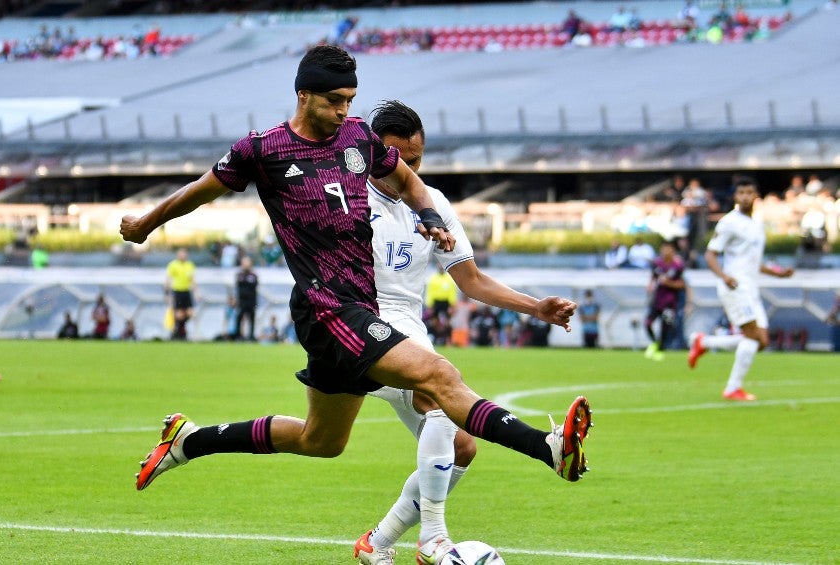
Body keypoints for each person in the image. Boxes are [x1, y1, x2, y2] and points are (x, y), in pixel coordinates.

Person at [120, 46, 591, 563]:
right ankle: (541, 453)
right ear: (303, 94)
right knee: (438, 378)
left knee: (321, 440)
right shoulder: (263, 149)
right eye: (335, 100)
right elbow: (201, 191)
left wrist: (429, 213)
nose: (345, 110)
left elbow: (410, 183)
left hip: (357, 313)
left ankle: (188, 442)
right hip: (327, 309)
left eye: (351, 100)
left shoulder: (358, 138)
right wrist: (146, 224)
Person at [355, 99, 585, 565]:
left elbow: (471, 279)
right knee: (440, 396)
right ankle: (434, 539)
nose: (407, 169)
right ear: (375, 152)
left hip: (408, 328)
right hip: (359, 324)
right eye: (398, 158)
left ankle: (376, 542)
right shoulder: (348, 199)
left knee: (461, 446)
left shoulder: (431, 203)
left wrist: (535, 307)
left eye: (416, 160)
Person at [688, 177, 794, 401]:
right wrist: (724, 276)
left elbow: (754, 263)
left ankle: (704, 342)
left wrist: (778, 273)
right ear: (735, 197)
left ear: (756, 196)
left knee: (761, 341)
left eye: (749, 193)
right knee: (753, 337)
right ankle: (732, 388)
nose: (745, 197)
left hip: (751, 288)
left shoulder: (756, 224)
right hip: (734, 286)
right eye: (741, 193)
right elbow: (710, 254)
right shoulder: (729, 222)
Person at [643, 241, 686, 361]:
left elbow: (682, 284)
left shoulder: (677, 266)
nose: (665, 251)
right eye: (663, 248)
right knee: (647, 323)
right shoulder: (657, 264)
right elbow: (653, 277)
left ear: (673, 250)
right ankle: (654, 343)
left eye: (668, 249)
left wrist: (669, 283)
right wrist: (650, 285)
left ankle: (659, 351)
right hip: (657, 300)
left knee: (665, 328)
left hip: (670, 303)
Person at [165, 248, 195, 340]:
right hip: (177, 291)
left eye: (184, 254)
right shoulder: (173, 265)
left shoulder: (190, 265)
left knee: (190, 313)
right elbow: (168, 279)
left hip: (186, 291)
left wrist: (197, 292)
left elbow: (192, 279)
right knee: (178, 314)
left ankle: (180, 329)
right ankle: (178, 331)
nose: (183, 256)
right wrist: (167, 293)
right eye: (181, 254)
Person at [234, 255, 259, 341]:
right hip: (242, 301)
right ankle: (238, 335)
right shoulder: (239, 274)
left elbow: (254, 285)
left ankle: (251, 336)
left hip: (251, 301)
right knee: (239, 317)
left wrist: (245, 282)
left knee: (252, 318)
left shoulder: (254, 275)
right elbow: (239, 284)